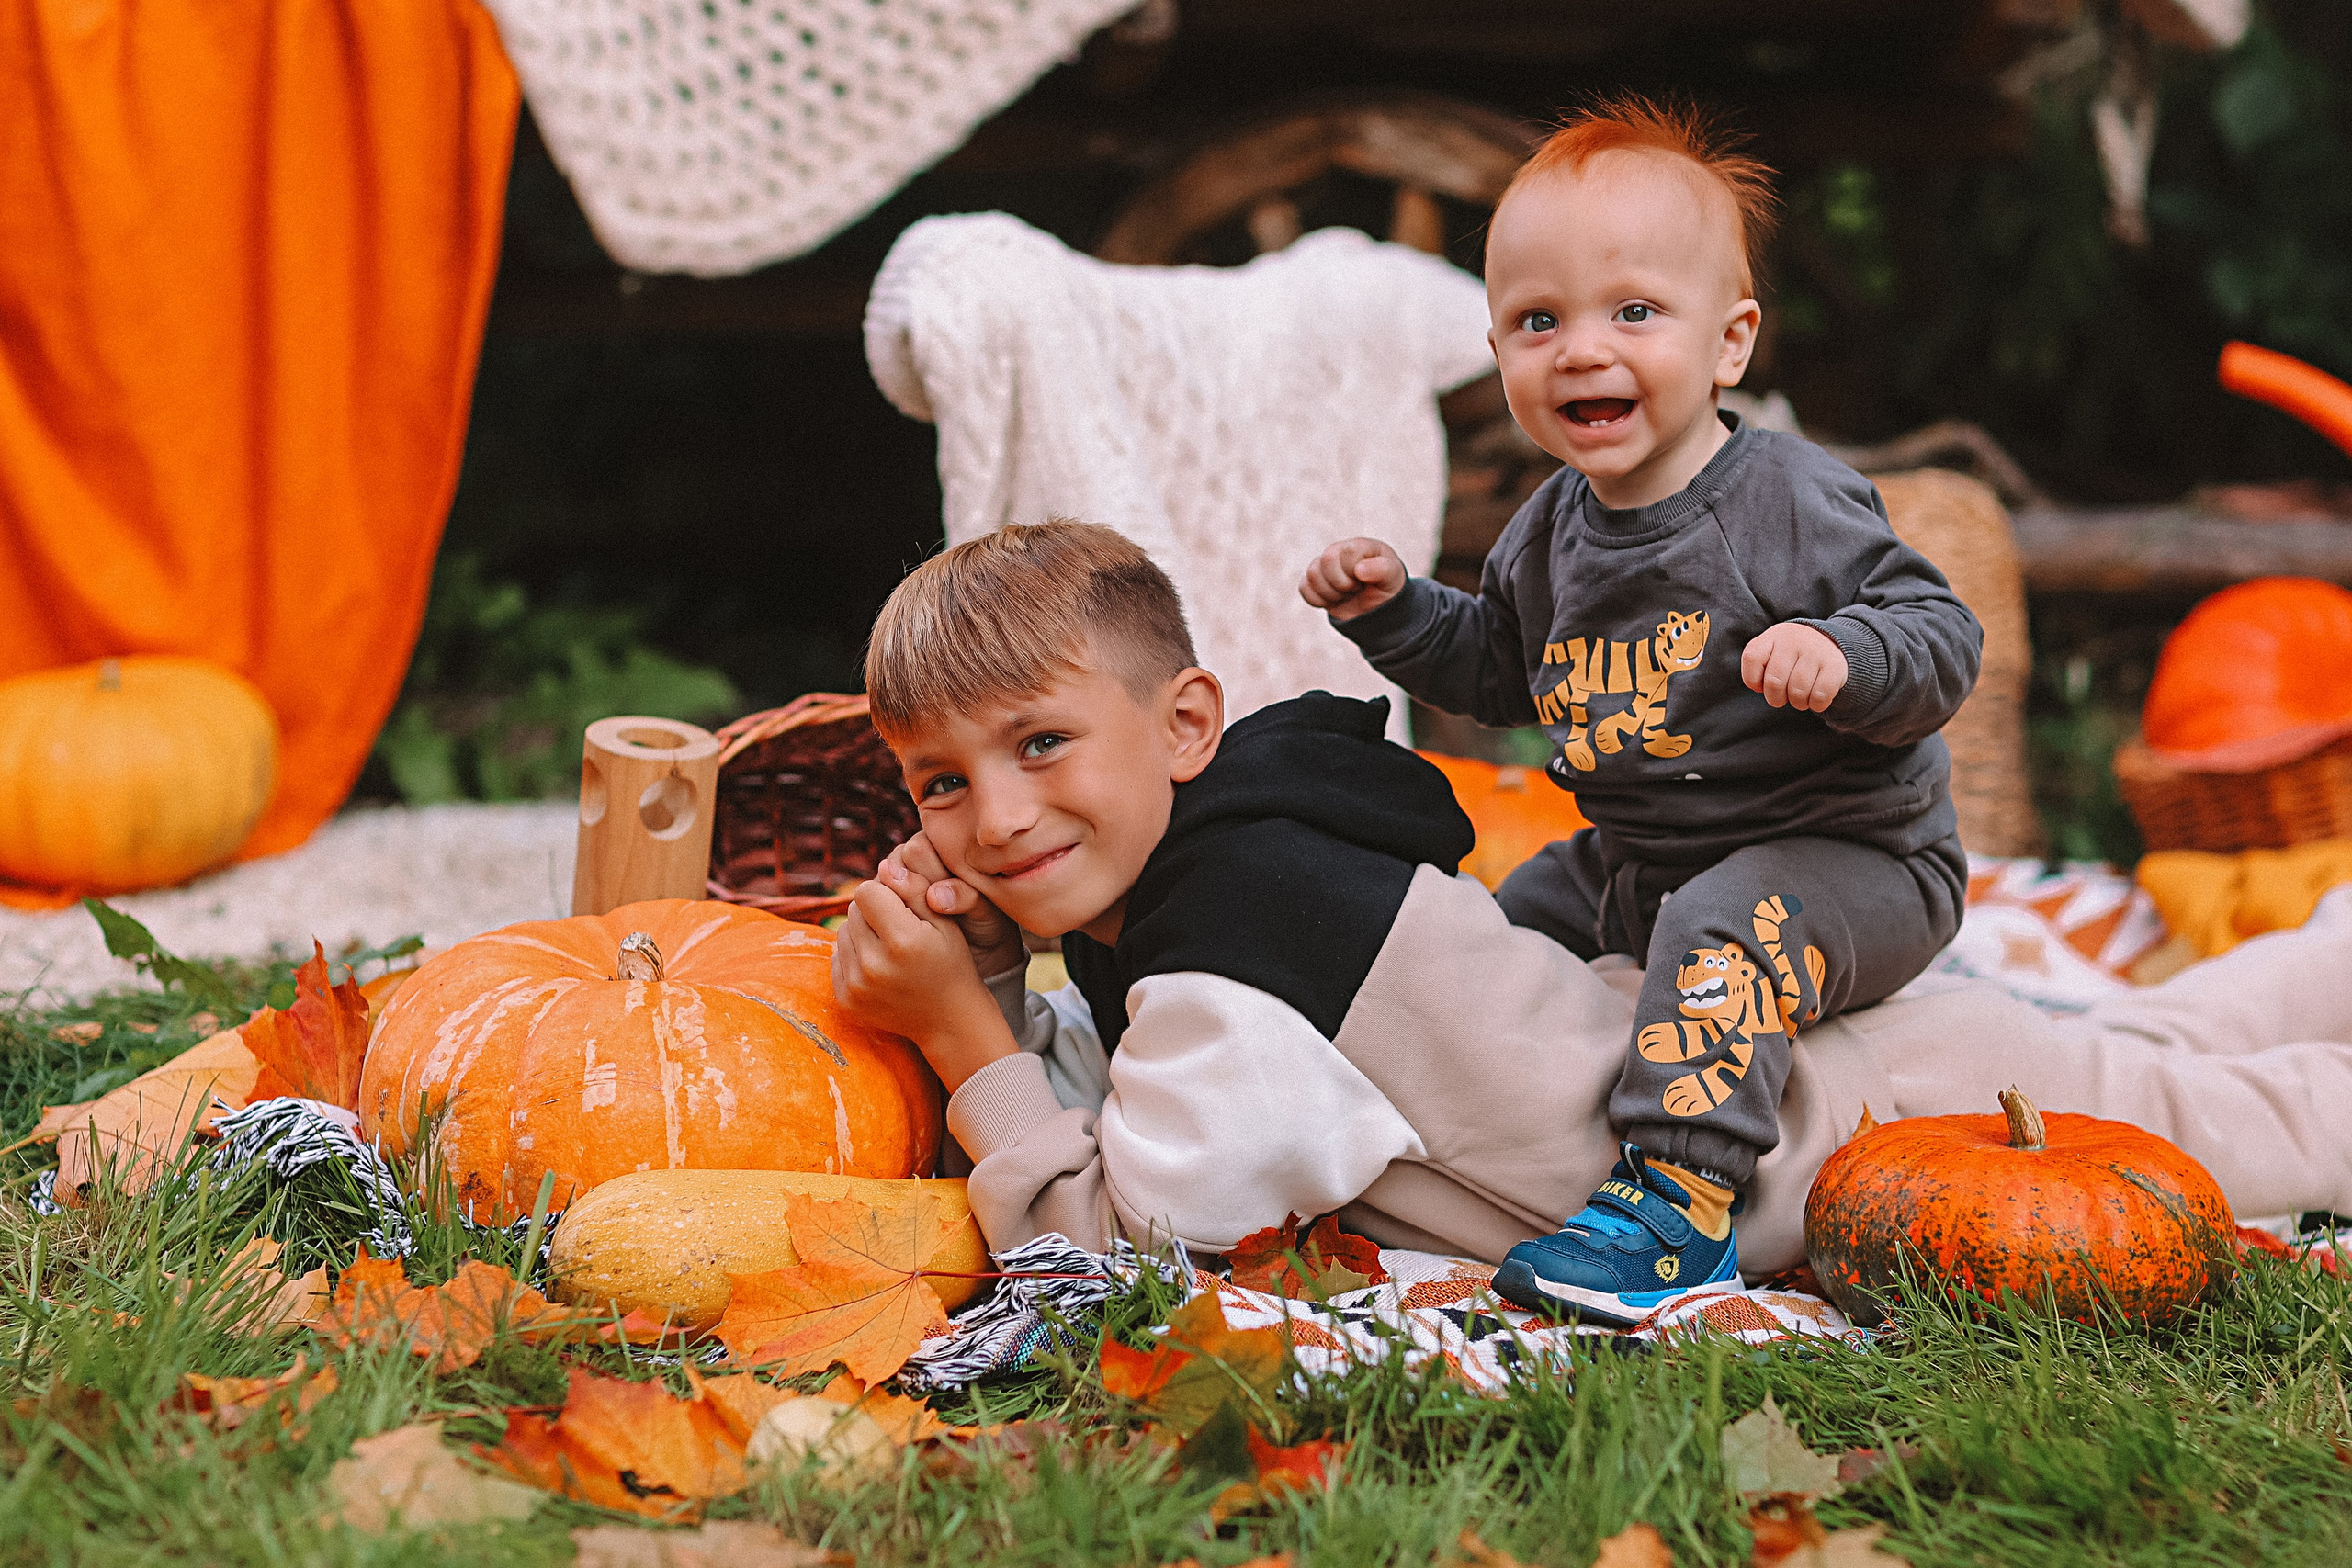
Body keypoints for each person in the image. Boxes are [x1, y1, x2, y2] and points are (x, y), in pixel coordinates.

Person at [831, 519, 2352, 1292]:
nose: (1000, 813)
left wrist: (969, 1040)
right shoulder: (1221, 861)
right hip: (1839, 1062)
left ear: (1182, 725)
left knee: (2254, 1124)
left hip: (1863, 1138)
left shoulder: (1234, 949)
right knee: (2143, 1048)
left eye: (1039, 745)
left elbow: (1140, 1240)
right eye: (940, 783)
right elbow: (1160, 1093)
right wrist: (1010, 954)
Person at [1301, 95, 1983, 1320]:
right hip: (1644, 863)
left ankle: (1678, 1207)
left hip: (1854, 860)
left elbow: (1941, 635)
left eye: (1633, 313)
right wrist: (1398, 612)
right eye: (1536, 320)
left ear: (1729, 344)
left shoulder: (1783, 497)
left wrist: (1847, 655)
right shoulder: (1547, 532)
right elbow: (1505, 672)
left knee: (1725, 930)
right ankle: (1406, 1108)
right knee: (1500, 925)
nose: (1579, 349)